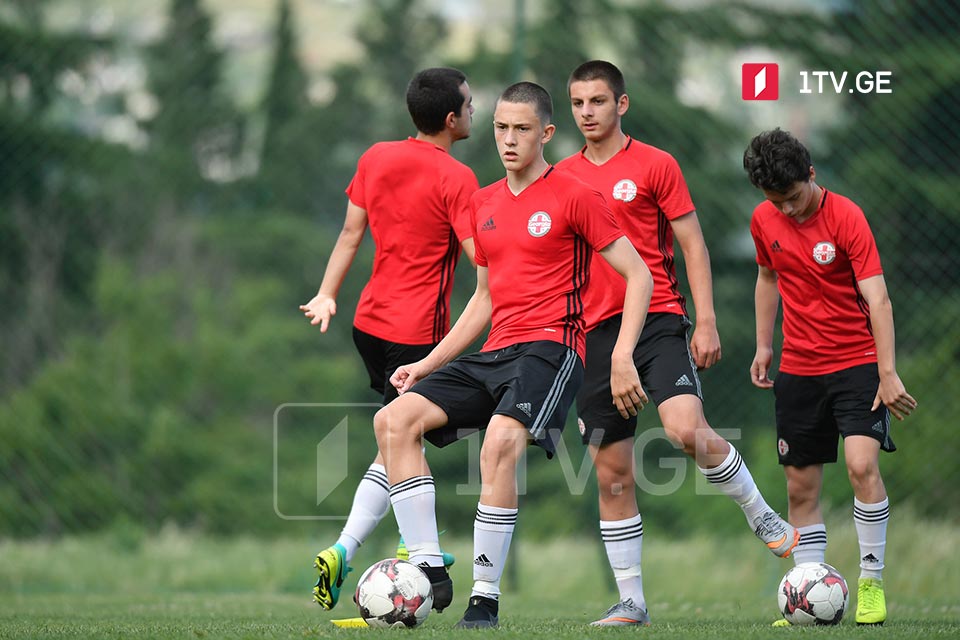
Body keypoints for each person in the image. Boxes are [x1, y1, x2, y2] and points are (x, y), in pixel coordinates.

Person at [374, 81, 654, 629]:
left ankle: (484, 599)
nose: (508, 139)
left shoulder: (574, 194)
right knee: (392, 420)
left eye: (521, 129)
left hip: (554, 346)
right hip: (497, 349)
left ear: (546, 134)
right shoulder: (483, 202)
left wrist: (622, 354)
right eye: (500, 127)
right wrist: (427, 364)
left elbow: (639, 275)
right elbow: (484, 298)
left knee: (500, 443)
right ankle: (431, 567)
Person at [555, 61, 799, 626]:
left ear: (622, 105)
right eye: (577, 103)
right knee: (613, 472)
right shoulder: (561, 177)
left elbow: (692, 243)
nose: (587, 112)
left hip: (660, 318)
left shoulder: (656, 164)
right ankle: (631, 602)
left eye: (597, 101)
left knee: (685, 429)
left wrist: (706, 319)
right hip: (595, 331)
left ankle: (759, 513)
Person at [299, 67, 478, 611]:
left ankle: (351, 550)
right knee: (405, 437)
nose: (475, 111)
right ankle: (410, 556)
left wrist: (328, 292)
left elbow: (351, 233)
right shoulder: (457, 179)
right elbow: (482, 261)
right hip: (415, 331)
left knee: (395, 440)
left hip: (368, 323)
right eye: (470, 105)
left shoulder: (376, 157)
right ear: (451, 120)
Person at [743, 128, 916, 627]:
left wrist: (887, 373)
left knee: (862, 467)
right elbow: (767, 277)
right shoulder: (764, 218)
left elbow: (878, 299)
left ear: (811, 176)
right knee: (800, 488)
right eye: (778, 202)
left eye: (795, 198)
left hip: (857, 362)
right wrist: (763, 345)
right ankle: (806, 595)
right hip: (799, 368)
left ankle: (870, 585)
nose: (789, 211)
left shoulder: (847, 217)